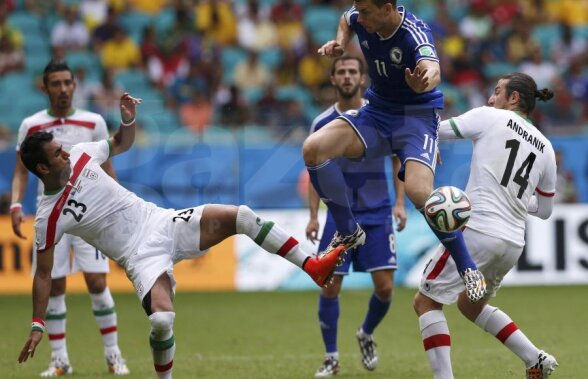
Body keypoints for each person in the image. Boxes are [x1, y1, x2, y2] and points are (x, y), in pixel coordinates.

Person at [17, 93, 347, 379]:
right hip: (138, 257)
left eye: (62, 148)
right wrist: (37, 324)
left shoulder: (81, 153)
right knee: (161, 320)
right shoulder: (48, 216)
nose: (66, 153)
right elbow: (43, 274)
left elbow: (120, 143)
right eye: (58, 153)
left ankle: (313, 266)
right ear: (43, 169)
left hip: (161, 222)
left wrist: (128, 121)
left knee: (242, 216)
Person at [301, 0, 486, 302]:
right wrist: (340, 42)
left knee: (418, 192)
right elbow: (346, 19)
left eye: (367, 13)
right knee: (314, 149)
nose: (361, 17)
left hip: (415, 120)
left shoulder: (414, 33)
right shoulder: (360, 17)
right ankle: (349, 230)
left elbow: (432, 67)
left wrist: (423, 80)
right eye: (359, 11)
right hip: (377, 114)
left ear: (388, 9)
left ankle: (467, 267)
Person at [413, 73, 559, 379]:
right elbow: (544, 210)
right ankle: (535, 359)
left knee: (426, 301)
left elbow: (433, 130)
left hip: (477, 232)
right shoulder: (546, 149)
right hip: (512, 244)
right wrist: (517, 202)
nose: (491, 98)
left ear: (514, 98)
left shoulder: (490, 117)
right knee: (470, 305)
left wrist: (429, 145)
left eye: (497, 92)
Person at [10, 60, 130, 376]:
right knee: (56, 285)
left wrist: (120, 207)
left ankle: (113, 355)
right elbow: (22, 170)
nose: (63, 89)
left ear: (75, 86)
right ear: (45, 87)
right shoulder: (31, 125)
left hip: (90, 212)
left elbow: (108, 167)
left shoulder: (93, 122)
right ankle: (60, 359)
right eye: (56, 83)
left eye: (67, 82)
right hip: (52, 213)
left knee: (96, 281)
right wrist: (14, 204)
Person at [305, 55, 406, 377]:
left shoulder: (377, 116)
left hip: (377, 212)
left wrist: (400, 203)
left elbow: (397, 160)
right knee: (329, 286)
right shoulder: (322, 122)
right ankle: (331, 358)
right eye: (341, 72)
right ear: (333, 79)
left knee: (386, 287)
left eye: (353, 72)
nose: (347, 76)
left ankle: (366, 333)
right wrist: (313, 216)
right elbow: (314, 170)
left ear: (363, 79)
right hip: (339, 214)